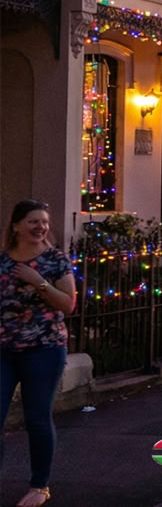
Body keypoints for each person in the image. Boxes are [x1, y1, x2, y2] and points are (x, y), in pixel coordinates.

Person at [2, 200, 77, 507]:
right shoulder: (3, 262)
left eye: (44, 222)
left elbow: (68, 305)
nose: (40, 227)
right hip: (4, 350)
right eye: (33, 221)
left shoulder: (55, 260)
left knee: (36, 417)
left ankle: (39, 486)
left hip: (44, 348)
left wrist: (38, 282)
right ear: (17, 226)